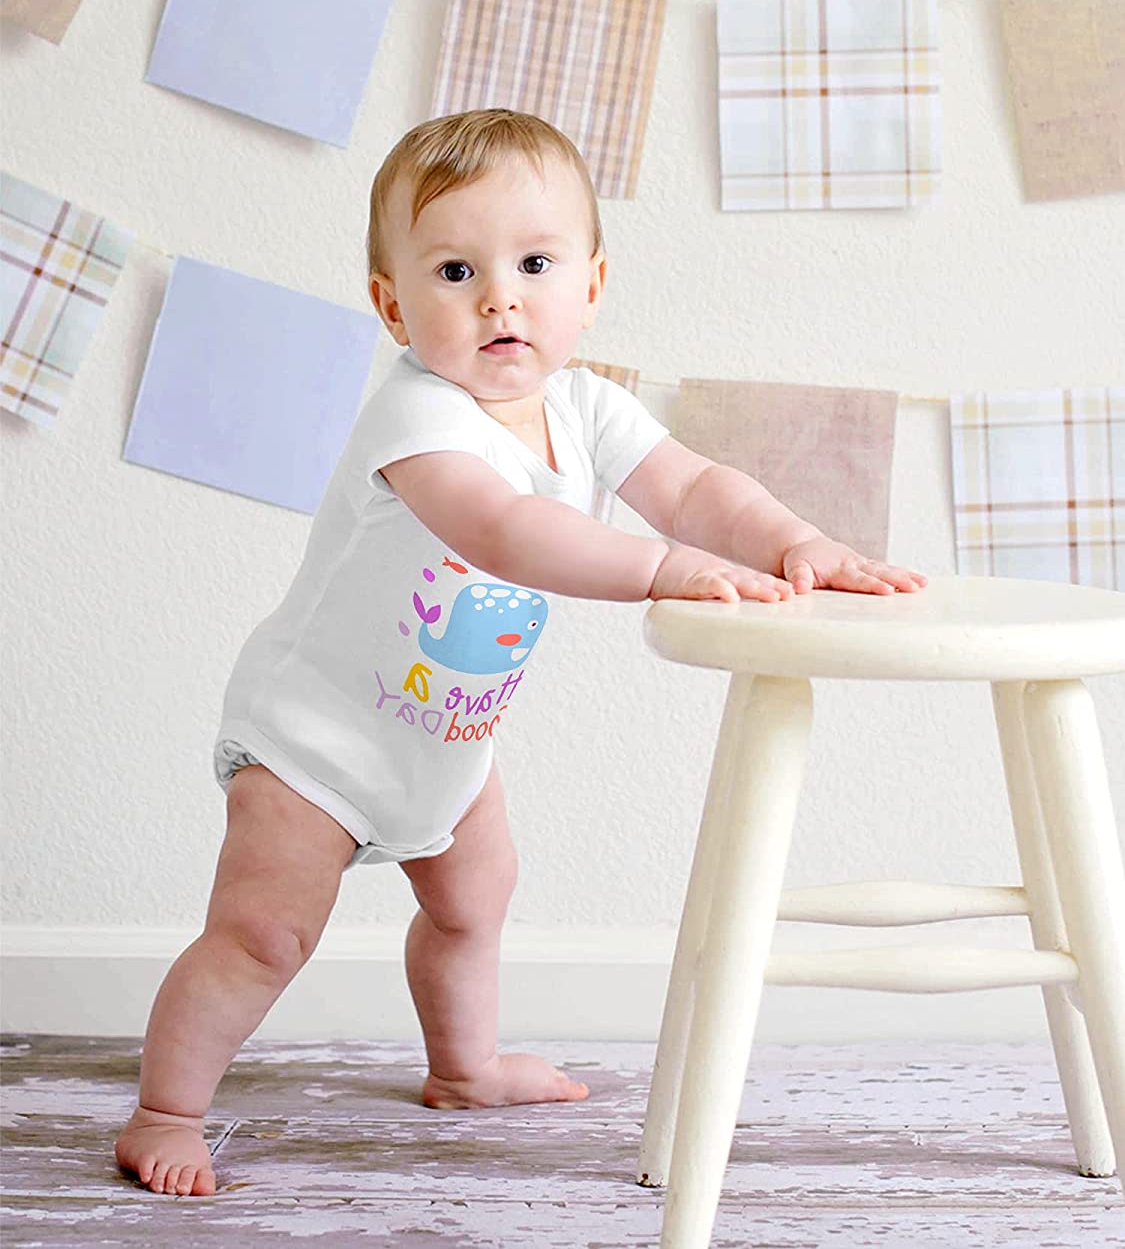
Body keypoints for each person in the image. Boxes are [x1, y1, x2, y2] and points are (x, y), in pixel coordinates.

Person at [114, 107, 927, 1195]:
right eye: (456, 271)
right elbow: (503, 530)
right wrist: (660, 567)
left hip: (445, 740)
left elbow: (694, 488)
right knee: (264, 935)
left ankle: (464, 1067)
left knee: (473, 902)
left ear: (591, 285)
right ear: (392, 306)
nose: (500, 298)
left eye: (534, 265)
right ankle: (166, 1110)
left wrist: (794, 541)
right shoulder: (418, 419)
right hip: (314, 737)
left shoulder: (587, 408)